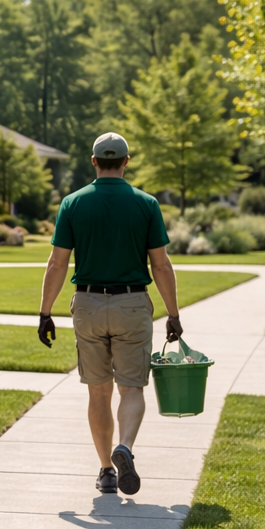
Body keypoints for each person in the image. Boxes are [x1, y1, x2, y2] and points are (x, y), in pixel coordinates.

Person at [37, 133, 180, 495]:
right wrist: (174, 314)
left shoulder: (73, 203)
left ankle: (105, 471)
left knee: (98, 392)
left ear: (94, 161)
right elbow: (160, 265)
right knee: (131, 386)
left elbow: (57, 262)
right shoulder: (146, 204)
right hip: (132, 304)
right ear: (127, 161)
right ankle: (125, 447)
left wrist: (45, 312)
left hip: (87, 305)